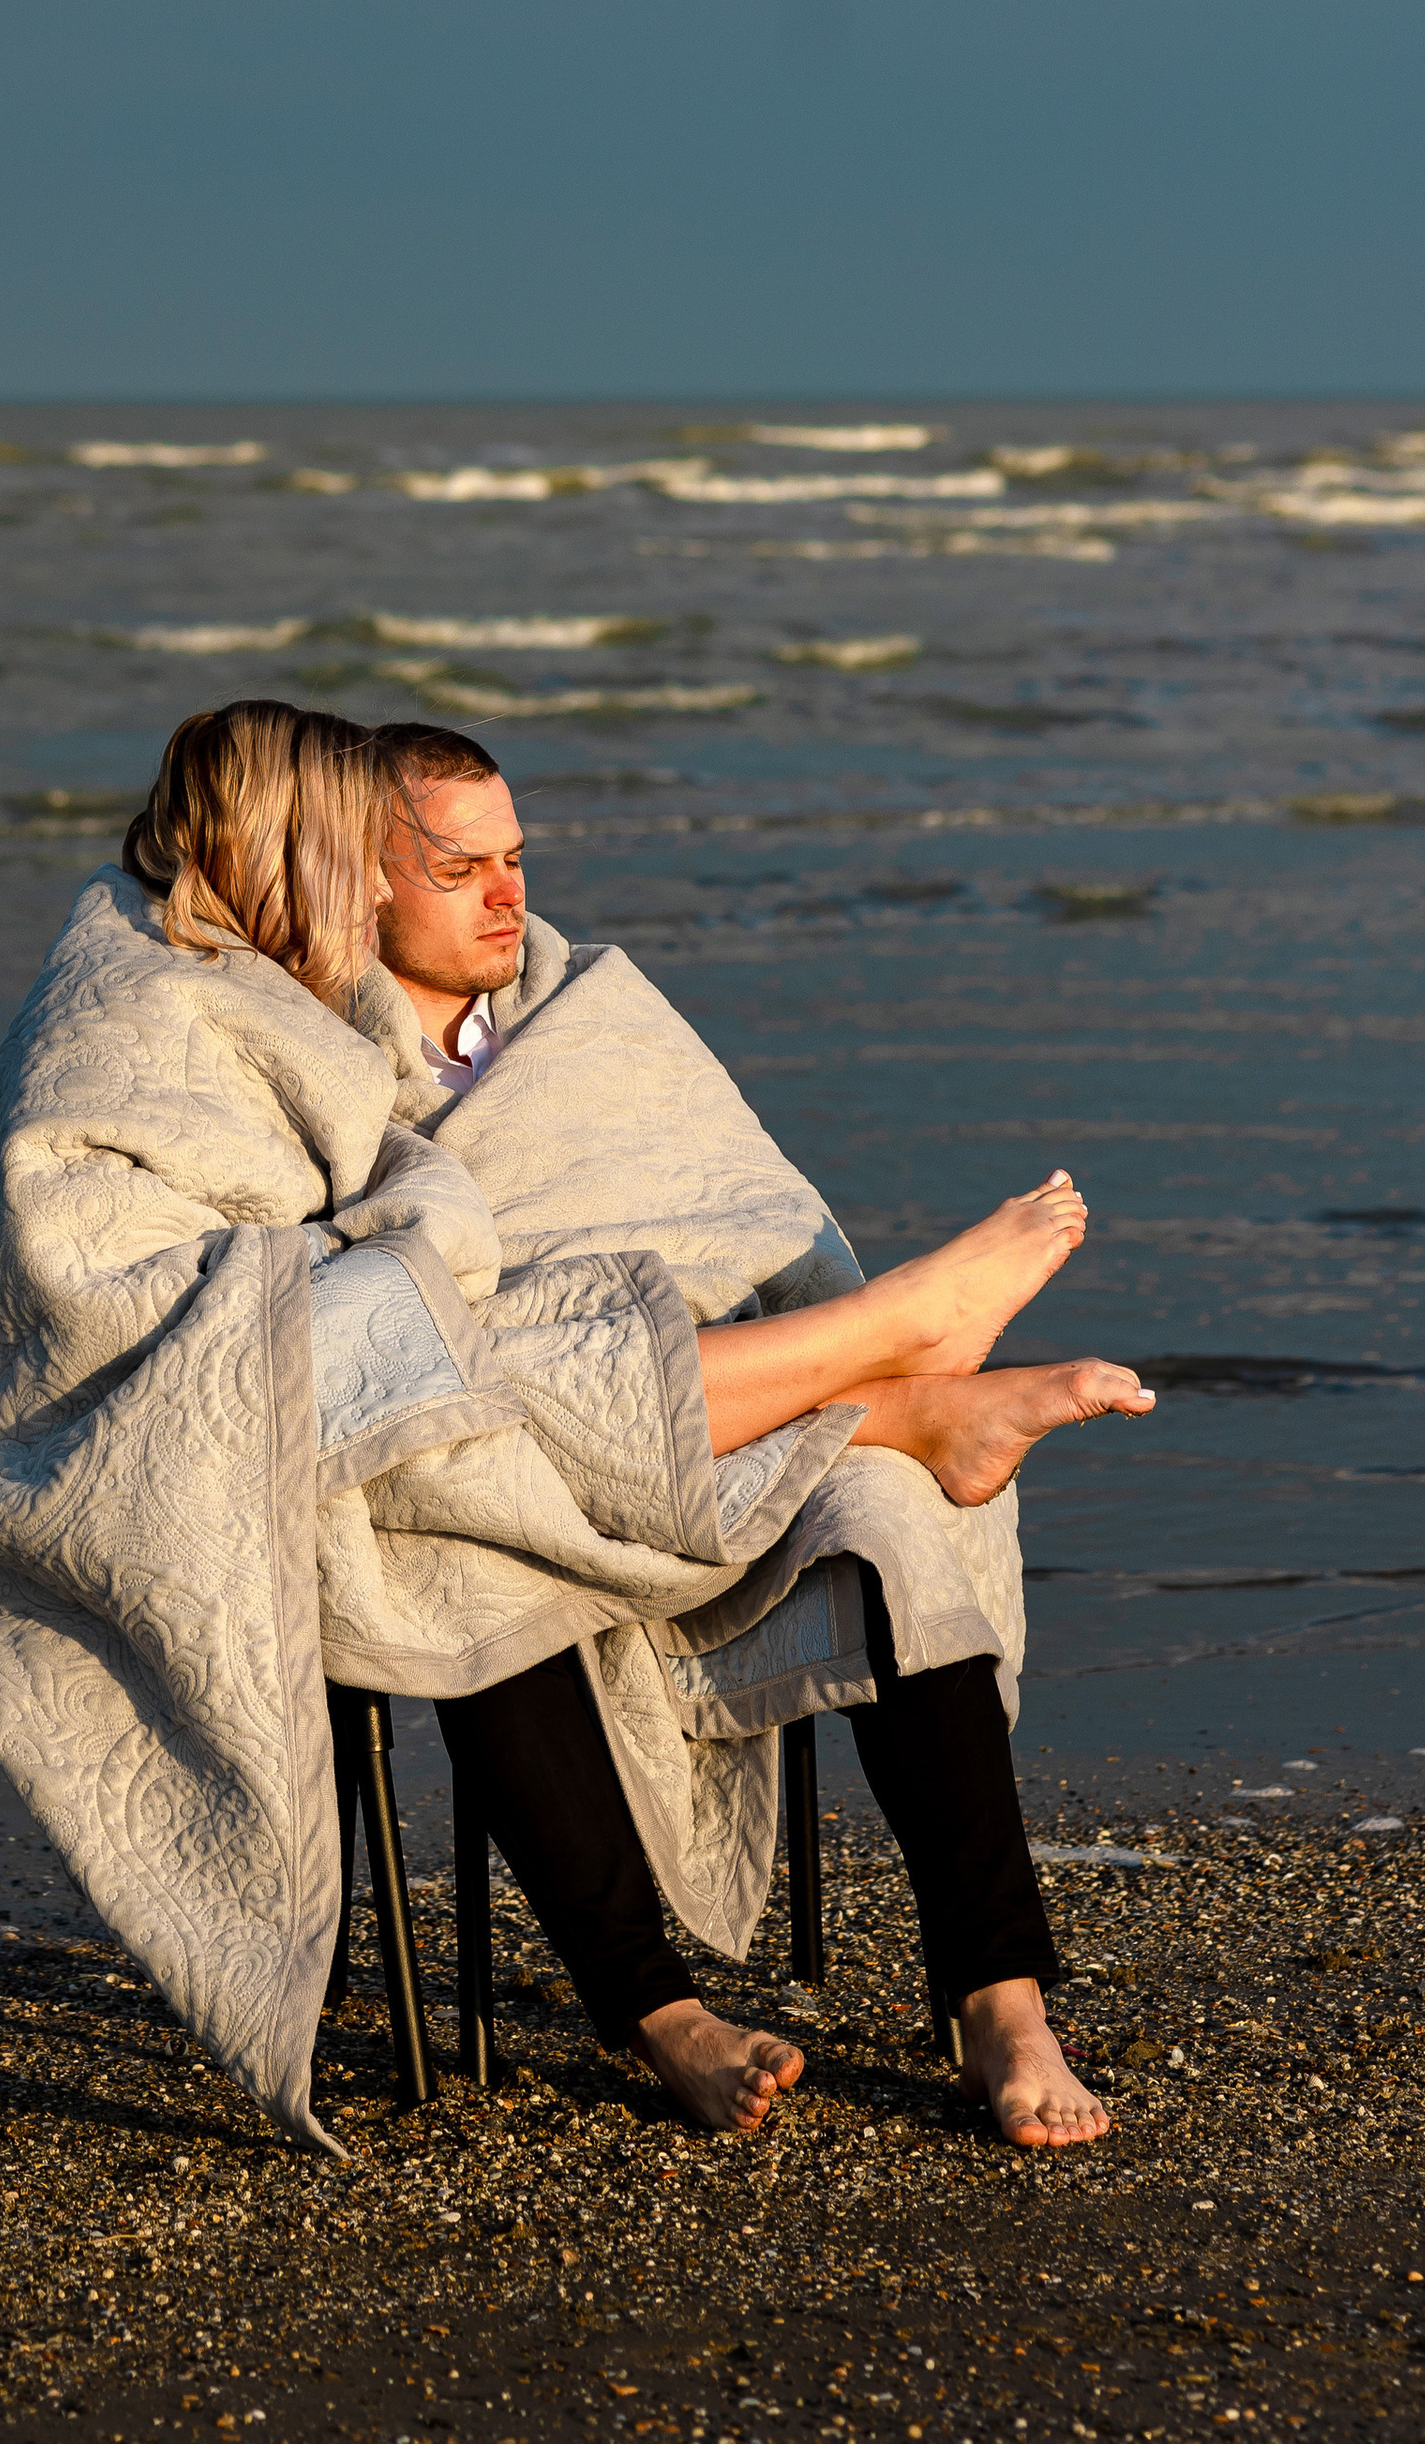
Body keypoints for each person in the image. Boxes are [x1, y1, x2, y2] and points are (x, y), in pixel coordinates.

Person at [358, 718, 1152, 2149]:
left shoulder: (591, 1006)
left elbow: (740, 1225)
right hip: (500, 1449)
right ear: (358, 878)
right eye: (460, 867)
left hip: (722, 1413)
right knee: (467, 1577)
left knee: (899, 1520)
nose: (505, 897)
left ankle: (1002, 2001)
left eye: (518, 860)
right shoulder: (316, 1053)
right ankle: (660, 2016)